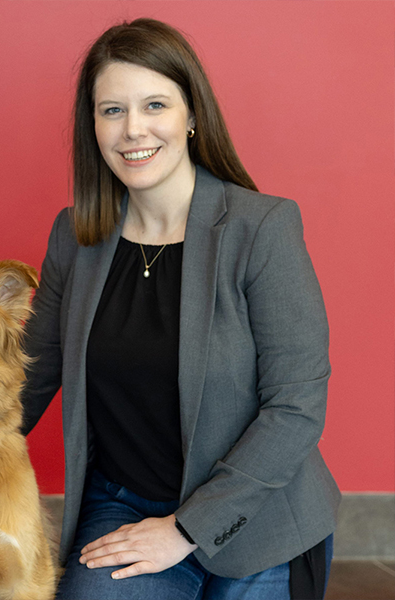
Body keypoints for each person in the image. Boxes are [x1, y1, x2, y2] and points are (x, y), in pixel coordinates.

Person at [20, 18, 340, 600]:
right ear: (93, 126)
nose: (132, 129)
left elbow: (295, 407)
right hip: (124, 505)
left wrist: (186, 530)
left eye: (154, 105)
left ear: (191, 114)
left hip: (258, 516)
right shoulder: (75, 236)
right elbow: (23, 379)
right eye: (112, 110)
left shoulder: (261, 228)